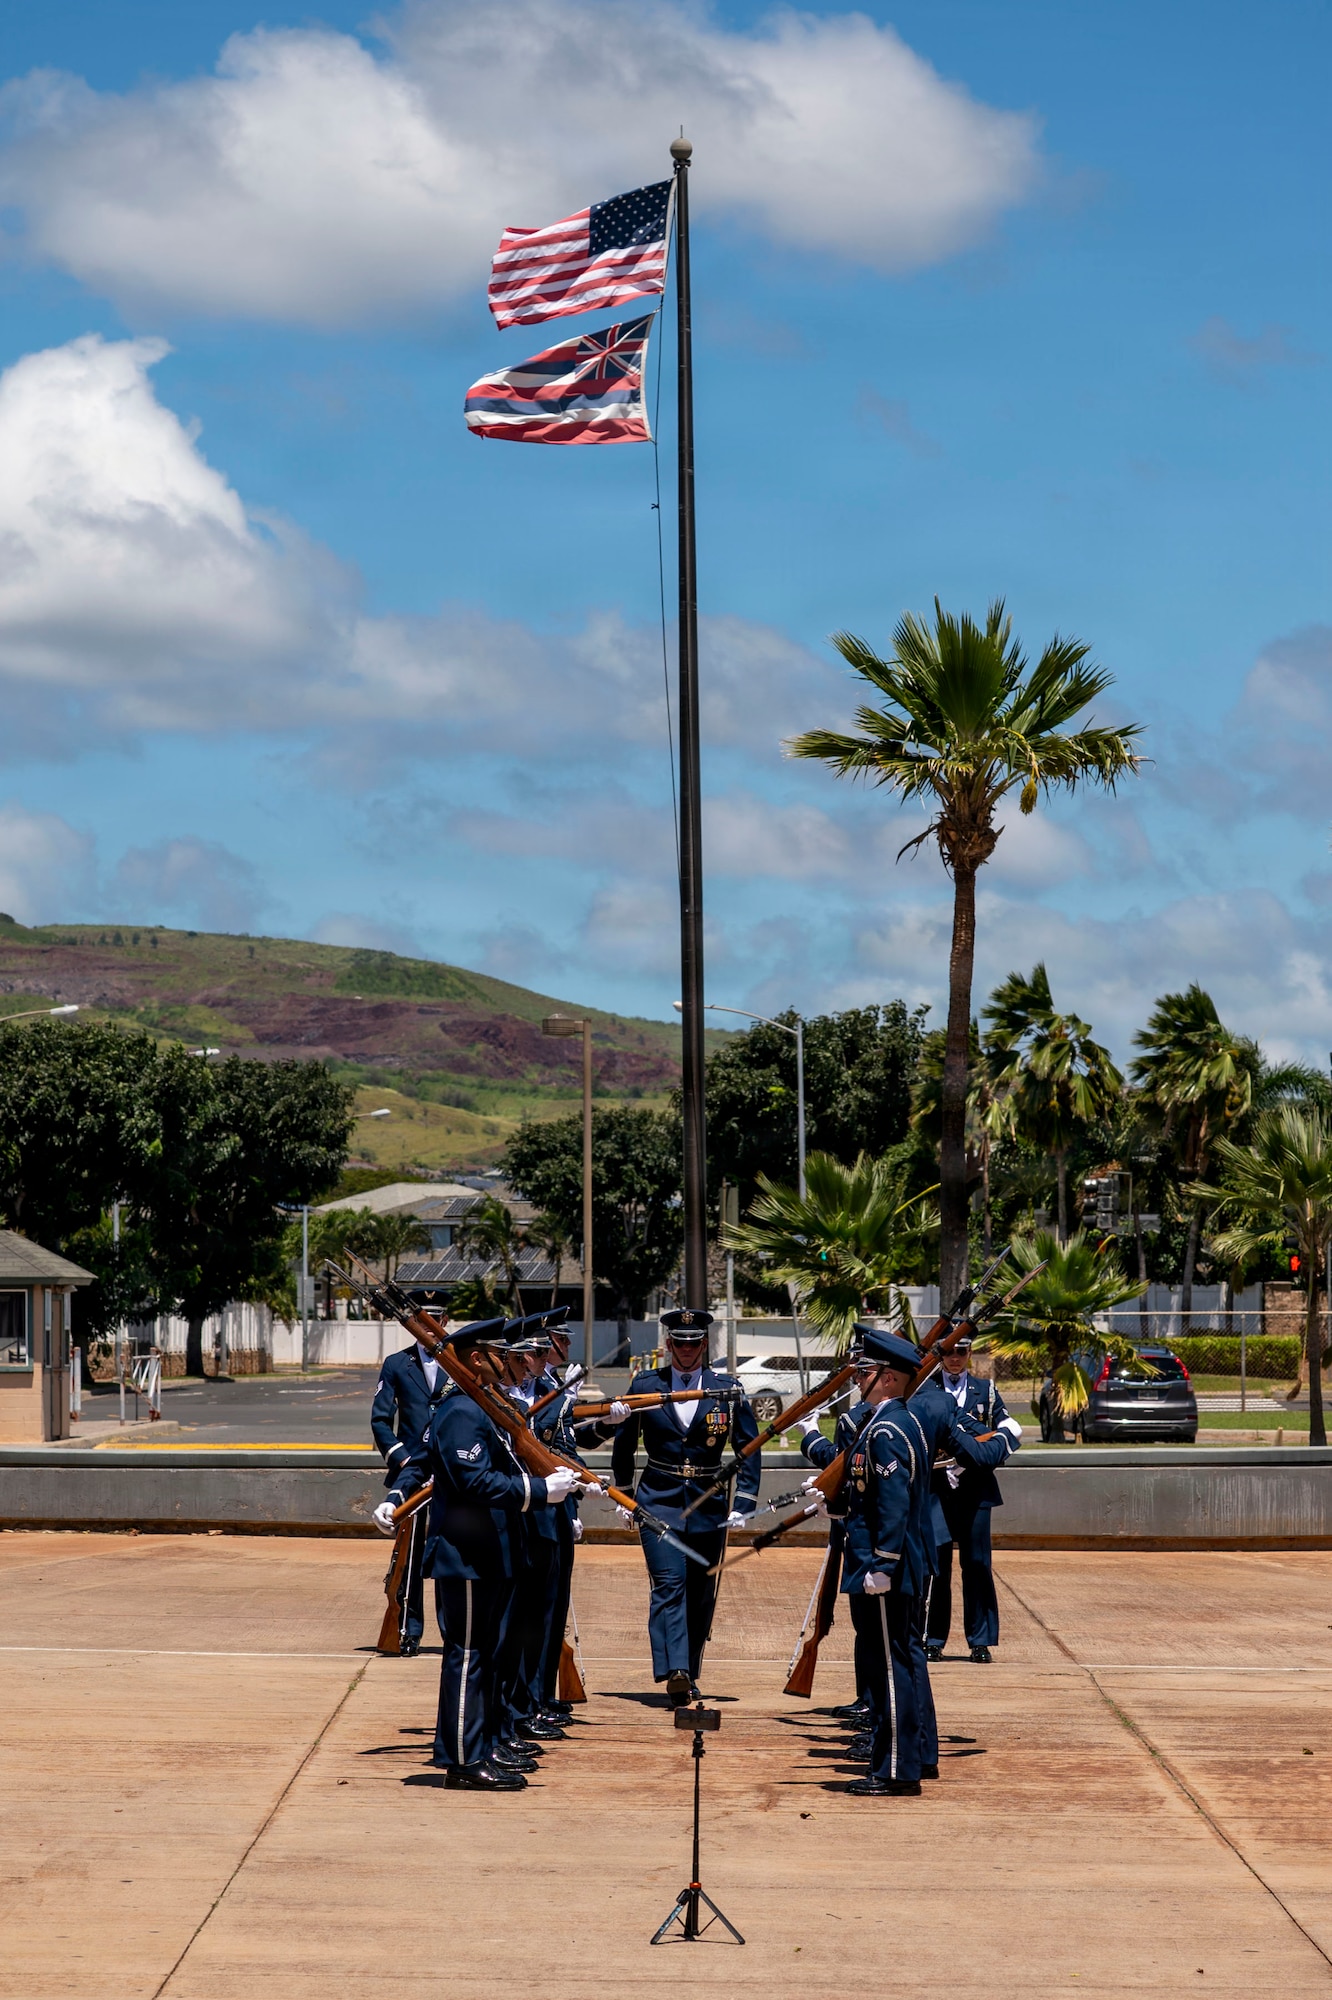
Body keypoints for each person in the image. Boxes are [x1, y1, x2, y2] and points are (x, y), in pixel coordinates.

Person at [374, 1318, 583, 1792]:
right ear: (475, 1359)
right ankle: (465, 1762)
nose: (507, 1360)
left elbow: (434, 1461)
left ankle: (483, 1745)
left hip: (492, 1550)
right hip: (467, 1553)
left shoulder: (485, 1406)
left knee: (488, 1657)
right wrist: (538, 1490)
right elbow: (470, 1479)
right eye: (496, 1352)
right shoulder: (464, 1411)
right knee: (469, 1657)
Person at [835, 1328, 1017, 1798]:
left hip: (885, 1566)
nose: (859, 1379)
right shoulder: (901, 1422)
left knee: (891, 1669)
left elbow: (894, 1505)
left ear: (891, 1378)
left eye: (867, 1372)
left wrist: (883, 1562)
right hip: (898, 1560)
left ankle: (896, 1770)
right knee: (902, 1661)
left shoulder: (890, 1430)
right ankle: (908, 1760)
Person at [610, 1306, 760, 1706]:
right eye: (680, 1342)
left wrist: (744, 1501)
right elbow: (624, 1445)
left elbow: (748, 1448)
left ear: (704, 1344)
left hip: (709, 1502)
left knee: (699, 1591)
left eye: (694, 1343)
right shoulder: (645, 1385)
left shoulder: (727, 1389)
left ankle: (690, 1672)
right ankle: (675, 1670)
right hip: (658, 1498)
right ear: (669, 1344)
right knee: (668, 1584)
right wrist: (623, 1494)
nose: (687, 1350)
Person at [794, 1336, 874, 1725]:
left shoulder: (863, 1418)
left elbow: (843, 1467)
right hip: (853, 1529)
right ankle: (869, 1699)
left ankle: (874, 1704)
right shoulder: (858, 1415)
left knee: (877, 1629)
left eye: (863, 1371)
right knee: (865, 1624)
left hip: (873, 1536)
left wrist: (810, 1437)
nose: (857, 1378)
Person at [924, 1334, 1018, 1664]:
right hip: (937, 1487)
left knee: (977, 1564)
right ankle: (932, 1638)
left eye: (961, 1351)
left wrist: (994, 1442)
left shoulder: (986, 1391)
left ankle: (980, 1640)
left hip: (976, 1487)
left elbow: (1003, 1427)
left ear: (970, 1352)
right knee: (936, 1565)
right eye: (948, 1351)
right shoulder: (926, 1389)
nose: (954, 1358)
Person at [370, 1326, 453, 1655]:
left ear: (445, 1319)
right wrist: (402, 1459)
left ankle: (453, 1632)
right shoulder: (396, 1363)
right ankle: (407, 1630)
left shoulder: (457, 1362)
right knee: (409, 1558)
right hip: (411, 1473)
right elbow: (381, 1419)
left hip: (449, 1472)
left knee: (449, 1555)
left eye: (437, 1319)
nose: (429, 1328)